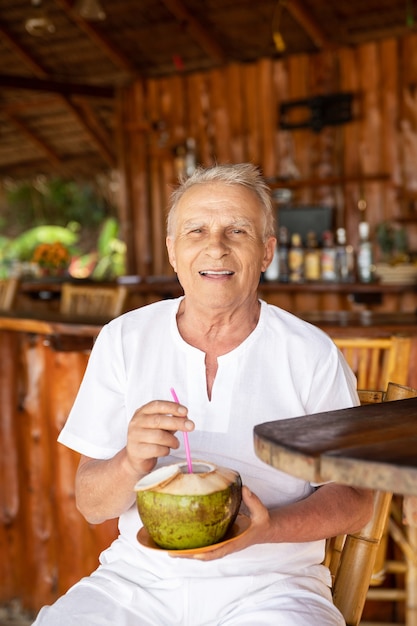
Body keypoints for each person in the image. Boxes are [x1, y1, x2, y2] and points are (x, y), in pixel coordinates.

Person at [33, 163, 373, 626]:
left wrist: (267, 529)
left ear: (267, 251)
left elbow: (354, 500)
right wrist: (130, 461)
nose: (216, 246)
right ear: (174, 251)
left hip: (272, 587)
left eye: (238, 230)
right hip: (138, 583)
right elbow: (92, 505)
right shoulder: (124, 339)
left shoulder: (309, 353)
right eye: (196, 230)